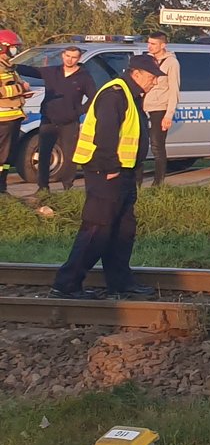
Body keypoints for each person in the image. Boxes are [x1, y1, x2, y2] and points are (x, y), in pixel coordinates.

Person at [52, 53, 163, 300]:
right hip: (106, 173)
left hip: (122, 172)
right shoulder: (115, 94)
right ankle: (67, 284)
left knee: (123, 230)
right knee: (97, 229)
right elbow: (106, 136)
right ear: (136, 74)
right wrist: (112, 168)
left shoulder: (130, 95)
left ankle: (121, 283)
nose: (155, 82)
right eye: (152, 77)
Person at [35, 45, 91, 200]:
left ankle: (68, 187)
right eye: (67, 56)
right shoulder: (52, 72)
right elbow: (31, 71)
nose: (70, 59)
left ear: (78, 59)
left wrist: (78, 112)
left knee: (69, 155)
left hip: (69, 122)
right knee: (44, 154)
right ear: (62, 55)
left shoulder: (84, 76)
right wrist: (10, 65)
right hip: (48, 119)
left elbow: (94, 97)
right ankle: (43, 187)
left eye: (74, 57)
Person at [141, 32, 181, 188]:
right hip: (144, 106)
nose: (149, 46)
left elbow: (174, 90)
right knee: (141, 144)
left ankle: (158, 182)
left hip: (160, 108)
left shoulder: (172, 63)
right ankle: (137, 180)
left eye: (153, 44)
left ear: (163, 45)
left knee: (157, 145)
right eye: (149, 43)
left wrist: (169, 114)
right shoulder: (147, 60)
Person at [0, 30, 28, 198]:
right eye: (13, 48)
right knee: (2, 157)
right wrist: (20, 88)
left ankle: (2, 187)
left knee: (7, 157)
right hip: (3, 119)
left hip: (12, 118)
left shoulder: (8, 66)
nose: (15, 51)